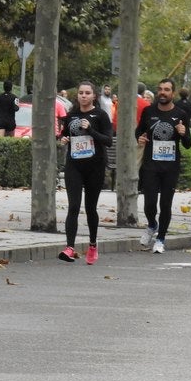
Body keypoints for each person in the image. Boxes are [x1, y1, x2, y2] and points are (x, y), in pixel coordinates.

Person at [58, 81, 113, 264]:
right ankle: (70, 247)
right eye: (81, 92)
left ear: (94, 96)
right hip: (74, 165)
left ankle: (92, 244)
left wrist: (91, 130)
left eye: (87, 93)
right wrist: (63, 139)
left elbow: (108, 140)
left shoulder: (100, 115)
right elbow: (65, 134)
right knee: (73, 206)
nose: (83, 96)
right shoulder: (71, 115)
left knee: (90, 208)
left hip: (95, 166)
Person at [136, 78, 191, 254]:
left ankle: (160, 238)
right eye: (160, 89)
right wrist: (140, 138)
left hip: (170, 167)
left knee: (165, 204)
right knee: (149, 203)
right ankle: (152, 224)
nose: (162, 92)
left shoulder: (181, 114)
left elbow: (189, 143)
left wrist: (183, 134)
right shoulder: (148, 111)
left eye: (167, 90)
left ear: (172, 93)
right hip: (151, 165)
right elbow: (139, 132)